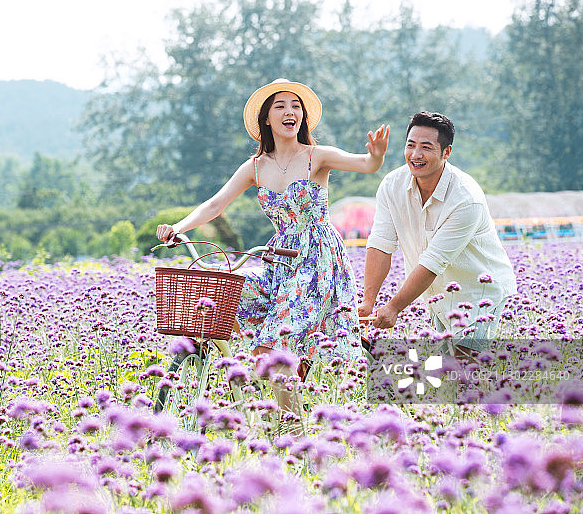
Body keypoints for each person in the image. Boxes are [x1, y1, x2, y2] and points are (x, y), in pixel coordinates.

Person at [156, 78, 389, 419]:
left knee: (275, 350)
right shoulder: (256, 166)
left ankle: (293, 435)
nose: (289, 111)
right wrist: (177, 228)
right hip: (279, 258)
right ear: (267, 118)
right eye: (280, 106)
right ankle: (277, 385)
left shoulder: (317, 156)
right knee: (230, 292)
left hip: (316, 260)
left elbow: (366, 165)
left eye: (295, 106)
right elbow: (215, 205)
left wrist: (376, 155)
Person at [358, 111, 516, 359]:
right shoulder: (391, 185)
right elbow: (380, 244)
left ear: (446, 152)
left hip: (478, 292)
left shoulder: (466, 199)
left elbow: (433, 262)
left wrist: (393, 307)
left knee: (464, 372)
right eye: (410, 145)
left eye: (426, 147)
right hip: (438, 296)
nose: (416, 154)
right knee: (447, 376)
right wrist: (368, 301)